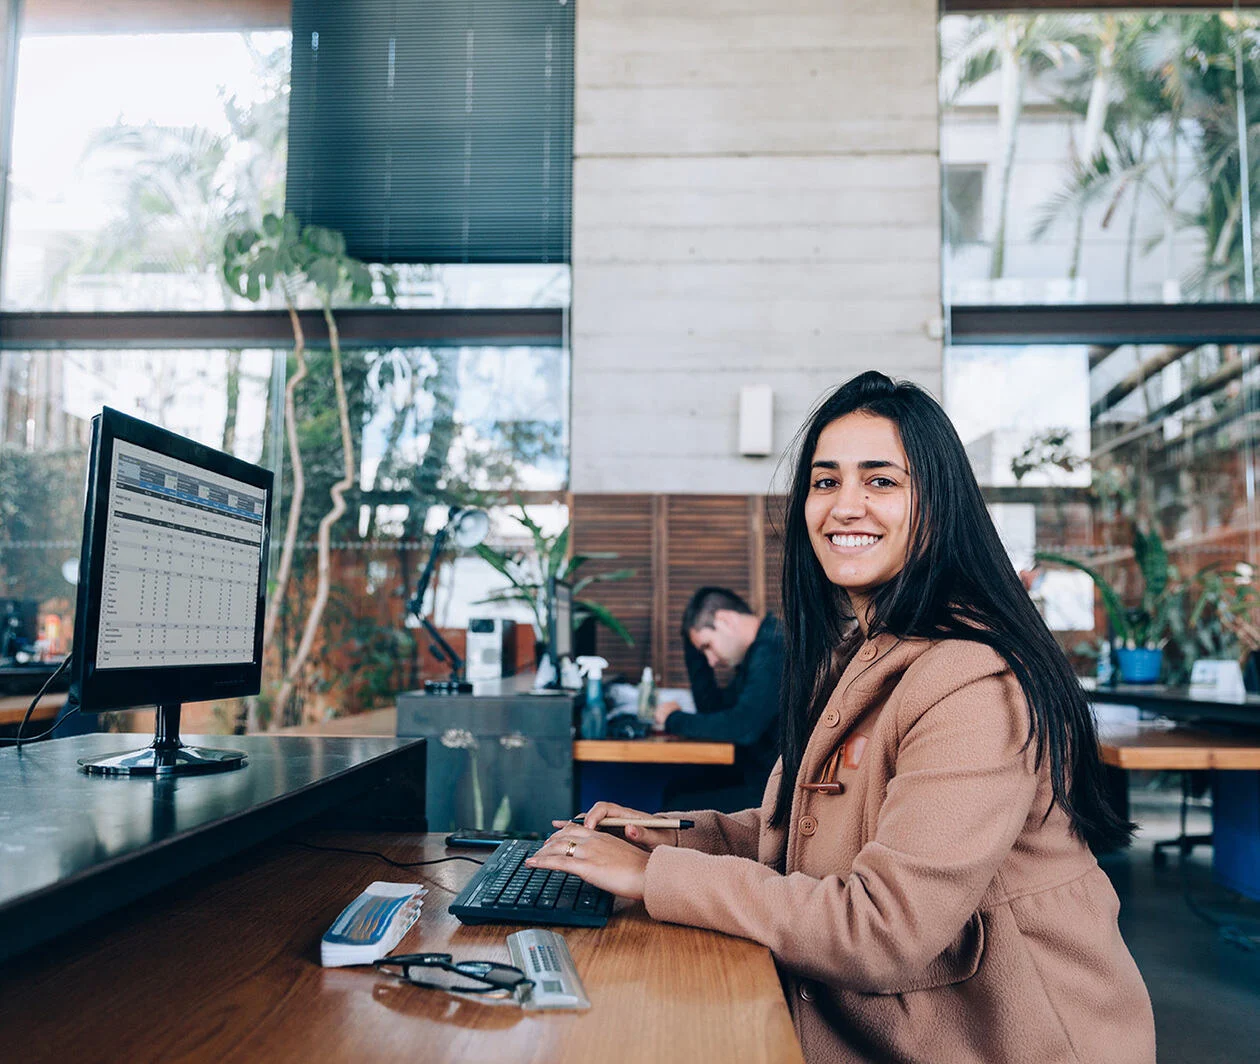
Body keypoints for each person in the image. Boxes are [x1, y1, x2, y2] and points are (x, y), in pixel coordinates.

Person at [528, 371, 1156, 1063]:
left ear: (937, 505)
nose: (845, 506)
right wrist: (659, 840)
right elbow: (802, 836)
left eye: (880, 481)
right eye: (825, 482)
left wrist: (653, 880)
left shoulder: (972, 678)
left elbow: (882, 932)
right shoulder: (858, 656)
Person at [653, 587, 783, 812]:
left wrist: (674, 720)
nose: (711, 661)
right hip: (762, 779)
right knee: (677, 790)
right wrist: (691, 643)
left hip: (779, 791)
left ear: (725, 620)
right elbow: (712, 709)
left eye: (707, 646)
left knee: (680, 804)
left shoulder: (774, 647)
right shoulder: (756, 653)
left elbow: (742, 727)